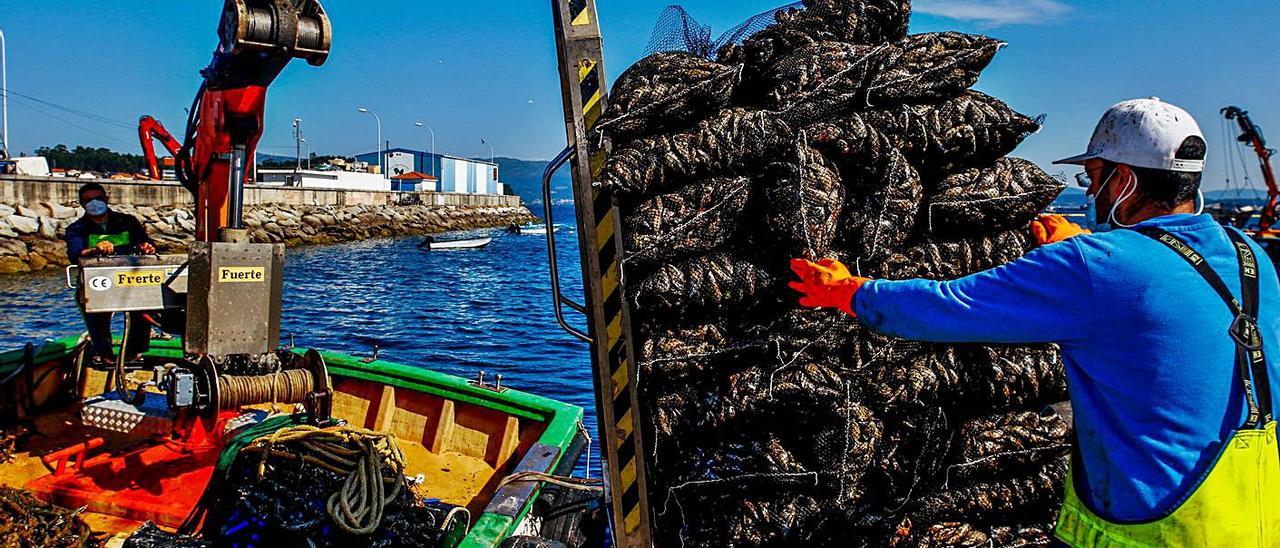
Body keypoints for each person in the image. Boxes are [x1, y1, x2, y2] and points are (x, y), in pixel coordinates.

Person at [790, 98, 1280, 546]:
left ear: (1124, 179)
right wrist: (1080, 251)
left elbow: (953, 305)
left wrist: (846, 291)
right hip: (1250, 517)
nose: (1089, 189)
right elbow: (1156, 304)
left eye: (1093, 175)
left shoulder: (1096, 266)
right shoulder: (1252, 258)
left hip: (1150, 529)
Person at [65, 182, 157, 363]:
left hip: (130, 279)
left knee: (143, 311)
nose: (95, 203)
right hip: (97, 282)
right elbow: (75, 255)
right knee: (95, 315)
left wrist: (148, 247)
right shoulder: (76, 228)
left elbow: (145, 243)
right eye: (89, 200)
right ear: (82, 204)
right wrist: (94, 250)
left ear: (106, 199)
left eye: (98, 198)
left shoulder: (128, 222)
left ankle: (134, 353)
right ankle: (103, 354)